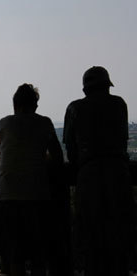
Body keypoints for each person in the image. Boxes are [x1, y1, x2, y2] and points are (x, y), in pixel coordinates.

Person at [0, 84, 63, 276]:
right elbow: (57, 157)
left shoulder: (3, 124)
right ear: (35, 105)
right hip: (37, 195)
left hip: (8, 195)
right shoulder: (45, 123)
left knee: (14, 254)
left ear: (15, 105)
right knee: (38, 255)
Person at [63, 66, 136, 276]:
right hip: (119, 172)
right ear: (107, 86)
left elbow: (71, 147)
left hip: (89, 174)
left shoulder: (75, 108)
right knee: (120, 229)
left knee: (90, 231)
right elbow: (122, 139)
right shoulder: (119, 104)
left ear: (85, 89)